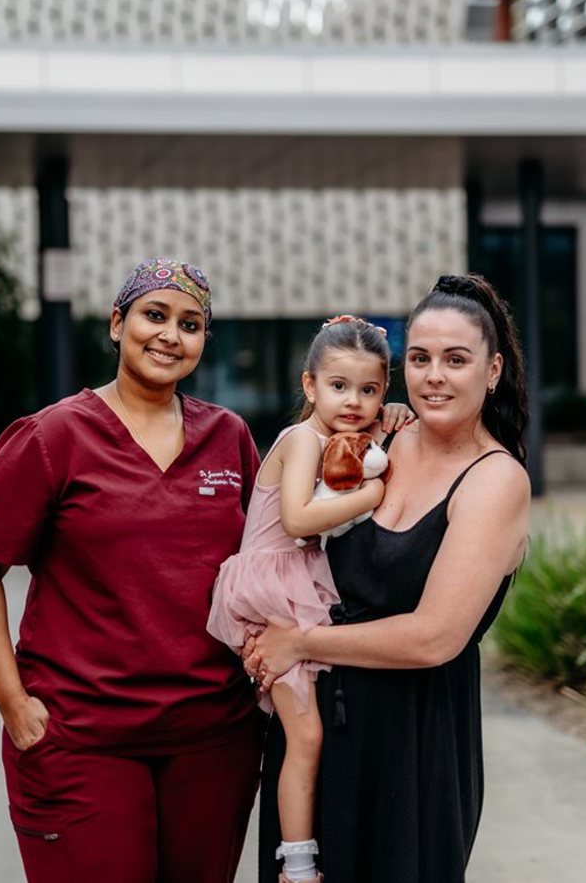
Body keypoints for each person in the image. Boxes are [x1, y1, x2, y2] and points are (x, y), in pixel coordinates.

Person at [0, 258, 264, 883]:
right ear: (118, 324)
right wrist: (13, 702)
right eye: (155, 316)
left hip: (212, 740)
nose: (170, 336)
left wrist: (387, 425)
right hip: (82, 740)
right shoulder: (53, 437)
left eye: (191, 324)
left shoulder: (227, 437)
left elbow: (276, 544)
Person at [244, 273, 533, 883]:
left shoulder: (495, 481)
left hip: (414, 744)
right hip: (319, 731)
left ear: (493, 370)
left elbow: (434, 637)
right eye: (421, 359)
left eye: (456, 360)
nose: (434, 375)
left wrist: (297, 641)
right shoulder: (378, 442)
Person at [206, 315, 410, 883]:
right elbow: (297, 519)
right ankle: (297, 864)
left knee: (315, 727)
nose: (353, 400)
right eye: (339, 386)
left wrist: (390, 423)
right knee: (308, 734)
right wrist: (372, 490)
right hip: (274, 589)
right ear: (309, 385)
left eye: (370, 390)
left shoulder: (350, 440)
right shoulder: (301, 440)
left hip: (298, 585)